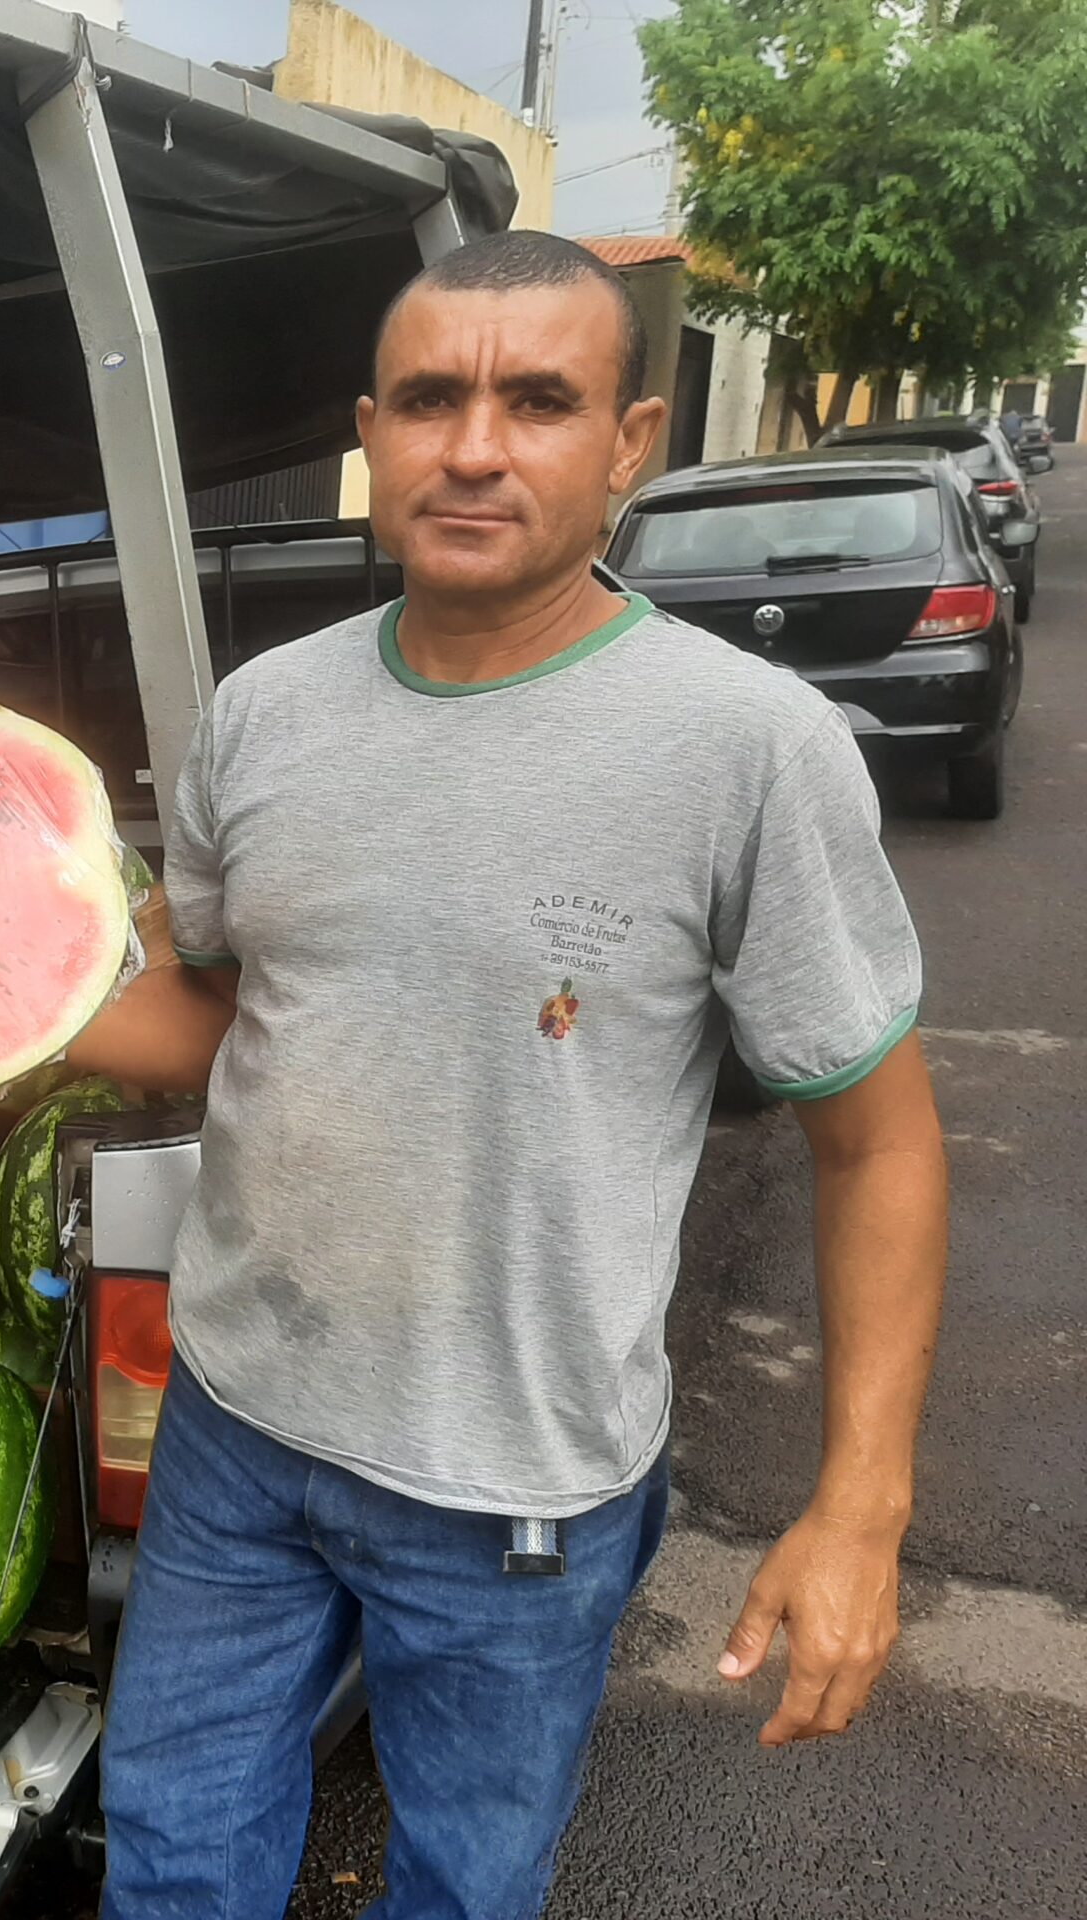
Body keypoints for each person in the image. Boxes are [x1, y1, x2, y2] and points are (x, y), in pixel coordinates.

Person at [69, 230, 948, 1919]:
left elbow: (881, 1148)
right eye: (430, 400)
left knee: (464, 1891)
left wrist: (862, 1511)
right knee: (171, 1869)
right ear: (370, 433)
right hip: (237, 1434)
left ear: (629, 443)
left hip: (516, 1496)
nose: (474, 446)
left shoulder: (747, 748)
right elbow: (216, 1019)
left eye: (538, 401)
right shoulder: (260, 718)